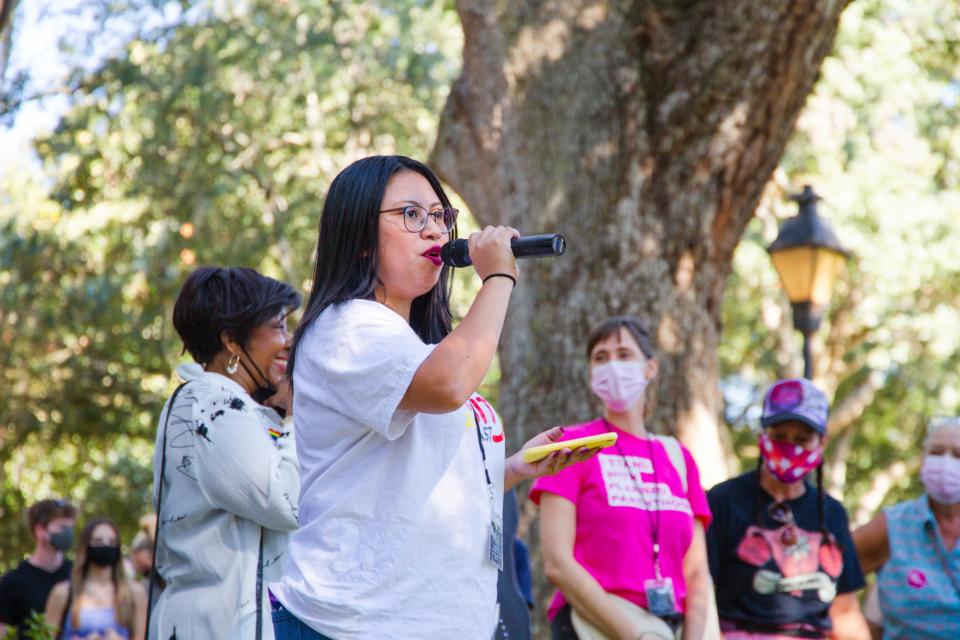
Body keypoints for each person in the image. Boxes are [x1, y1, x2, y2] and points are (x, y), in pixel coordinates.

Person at [269, 155, 596, 640]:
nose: (434, 230)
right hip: (356, 625)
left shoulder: (416, 346)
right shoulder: (346, 328)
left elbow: (414, 481)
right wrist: (499, 277)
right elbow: (449, 383)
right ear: (359, 239)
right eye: (411, 215)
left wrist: (514, 469)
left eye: (440, 215)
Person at [531, 316, 717, 640]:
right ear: (591, 374)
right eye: (600, 358)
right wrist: (634, 636)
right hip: (594, 627)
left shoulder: (679, 458)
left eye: (624, 354)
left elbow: (697, 573)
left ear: (650, 368)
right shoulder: (573, 448)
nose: (612, 367)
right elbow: (557, 562)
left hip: (668, 628)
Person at [148, 266, 302, 640]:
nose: (290, 341)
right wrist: (298, 416)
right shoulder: (213, 404)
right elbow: (286, 501)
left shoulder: (218, 403)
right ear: (232, 341)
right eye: (279, 327)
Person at [706, 378, 869, 639]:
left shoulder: (832, 513)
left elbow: (845, 613)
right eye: (779, 436)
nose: (789, 446)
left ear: (822, 443)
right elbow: (698, 592)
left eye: (802, 439)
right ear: (763, 436)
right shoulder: (724, 501)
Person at [852, 417, 960, 639]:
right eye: (937, 452)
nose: (946, 463)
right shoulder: (893, 525)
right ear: (923, 459)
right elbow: (829, 570)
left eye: (958, 455)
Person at [45, 517, 147, 640]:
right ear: (86, 547)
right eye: (98, 541)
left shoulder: (135, 593)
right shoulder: (63, 593)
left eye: (112, 542)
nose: (105, 546)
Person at [0, 499, 78, 638]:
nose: (67, 533)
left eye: (70, 528)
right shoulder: (13, 581)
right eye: (62, 527)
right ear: (40, 530)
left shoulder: (77, 573)